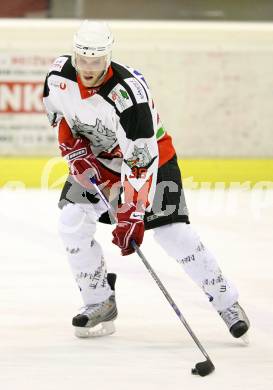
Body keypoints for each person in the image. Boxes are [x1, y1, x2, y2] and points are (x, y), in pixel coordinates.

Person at [43, 20, 250, 339]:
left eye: (96, 61)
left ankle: (227, 302)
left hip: (151, 159)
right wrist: (73, 148)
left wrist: (133, 213)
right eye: (82, 59)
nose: (87, 67)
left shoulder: (129, 94)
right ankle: (98, 301)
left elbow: (140, 159)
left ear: (108, 56)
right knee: (71, 221)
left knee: (173, 234)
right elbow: (61, 117)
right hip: (101, 160)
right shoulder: (58, 77)